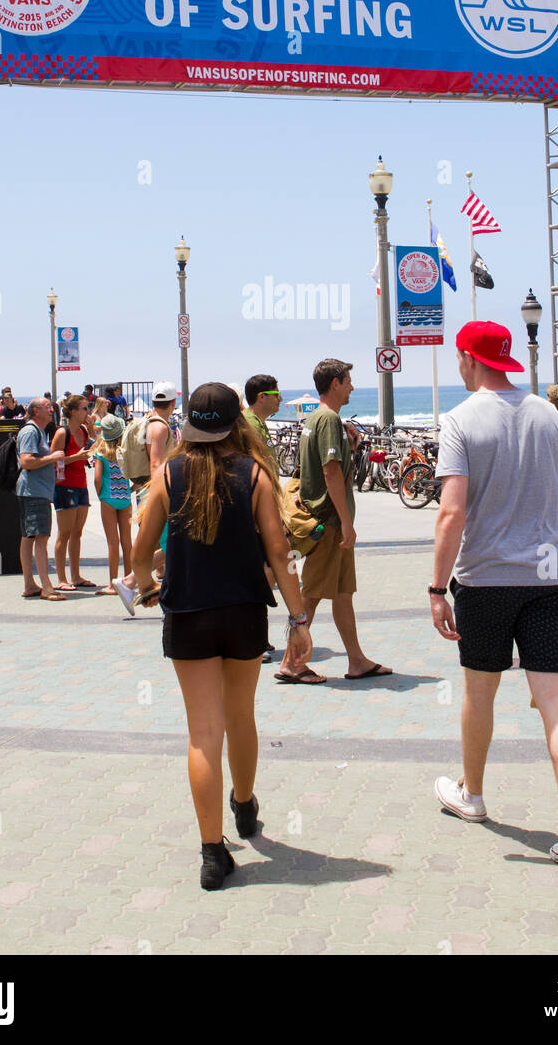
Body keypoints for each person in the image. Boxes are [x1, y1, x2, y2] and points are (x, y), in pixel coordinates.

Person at [130, 383, 312, 890]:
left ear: (190, 425)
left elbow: (140, 553)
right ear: (235, 424)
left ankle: (213, 854)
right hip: (243, 612)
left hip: (187, 614)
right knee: (241, 717)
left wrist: (148, 589)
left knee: (202, 734)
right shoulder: (253, 474)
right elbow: (279, 553)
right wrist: (298, 622)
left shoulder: (167, 473)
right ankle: (244, 805)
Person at [430, 323, 558, 864]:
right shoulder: (549, 415)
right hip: (548, 578)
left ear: (467, 358)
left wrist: (435, 587)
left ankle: (471, 794)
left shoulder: (459, 421)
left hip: (485, 579)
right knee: (555, 697)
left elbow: (451, 513)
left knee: (480, 691)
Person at [275, 358, 391, 684]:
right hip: (329, 522)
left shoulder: (316, 419)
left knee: (342, 594)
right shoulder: (328, 420)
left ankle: (356, 661)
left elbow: (322, 465)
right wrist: (346, 521)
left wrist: (350, 448)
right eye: (349, 380)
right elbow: (329, 472)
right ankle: (291, 662)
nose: (353, 386)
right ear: (336, 383)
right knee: (311, 594)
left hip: (329, 520)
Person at [112, 382, 177, 616]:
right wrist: (164, 495)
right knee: (170, 542)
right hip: (155, 491)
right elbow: (157, 464)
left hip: (144, 489)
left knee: (167, 543)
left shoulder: (145, 422)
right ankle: (130, 583)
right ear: (173, 402)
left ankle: (129, 582)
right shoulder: (159, 427)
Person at [242, 374, 283, 662]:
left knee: (265, 571)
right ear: (261, 397)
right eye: (276, 394)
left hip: (259, 508)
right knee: (260, 573)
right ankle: (253, 637)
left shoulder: (256, 423)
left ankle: (258, 636)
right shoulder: (249, 425)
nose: (280, 399)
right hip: (254, 510)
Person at [16, 397, 66, 601]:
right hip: (34, 492)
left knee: (28, 538)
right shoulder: (30, 431)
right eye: (47, 407)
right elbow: (27, 461)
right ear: (35, 411)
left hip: (33, 491)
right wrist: (52, 458)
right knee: (40, 537)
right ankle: (46, 586)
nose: (52, 409)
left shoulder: (38, 431)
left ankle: (30, 584)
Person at [50, 394, 97, 591]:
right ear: (74, 411)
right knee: (65, 533)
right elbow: (53, 460)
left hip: (80, 485)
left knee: (77, 533)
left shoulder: (84, 431)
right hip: (64, 486)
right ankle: (61, 578)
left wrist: (93, 430)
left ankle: (76, 576)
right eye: (85, 408)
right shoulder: (62, 433)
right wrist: (75, 457)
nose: (88, 412)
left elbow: (93, 448)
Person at [93, 414, 133, 594]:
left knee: (112, 542)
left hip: (108, 498)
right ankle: (129, 580)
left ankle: (112, 583)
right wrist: (130, 490)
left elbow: (96, 478)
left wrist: (100, 494)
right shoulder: (125, 450)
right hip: (125, 498)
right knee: (127, 541)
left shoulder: (100, 452)